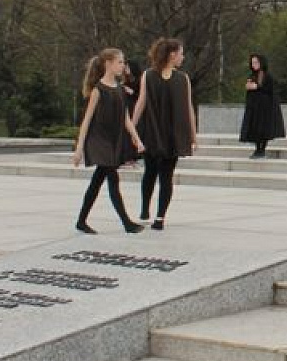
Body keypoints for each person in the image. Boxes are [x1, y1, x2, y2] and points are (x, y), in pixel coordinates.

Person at [72, 49, 145, 234]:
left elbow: (126, 118)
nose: (123, 66)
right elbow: (87, 120)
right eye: (120, 62)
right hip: (99, 141)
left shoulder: (120, 90)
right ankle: (127, 223)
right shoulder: (98, 90)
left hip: (113, 141)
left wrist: (137, 139)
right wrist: (79, 148)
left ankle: (81, 221)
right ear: (108, 64)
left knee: (97, 181)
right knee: (112, 178)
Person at [132, 38, 197, 230]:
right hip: (151, 131)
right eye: (181, 53)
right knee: (150, 172)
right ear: (172, 54)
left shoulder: (183, 78)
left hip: (173, 134)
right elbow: (141, 102)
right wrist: (132, 128)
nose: (183, 57)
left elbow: (188, 107)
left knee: (166, 176)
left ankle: (160, 217)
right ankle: (145, 208)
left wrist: (193, 134)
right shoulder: (148, 75)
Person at [239, 54, 286, 159]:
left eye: (256, 62)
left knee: (263, 130)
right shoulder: (252, 76)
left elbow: (268, 91)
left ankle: (262, 150)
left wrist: (256, 87)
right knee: (255, 130)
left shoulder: (266, 76)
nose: (254, 65)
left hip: (264, 110)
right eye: (252, 63)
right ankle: (257, 150)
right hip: (254, 109)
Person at [118, 58, 143, 166]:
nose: (125, 69)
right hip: (125, 107)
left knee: (132, 132)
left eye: (127, 67)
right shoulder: (125, 80)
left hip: (134, 108)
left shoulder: (140, 80)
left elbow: (142, 97)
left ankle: (132, 156)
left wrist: (132, 92)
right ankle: (124, 156)